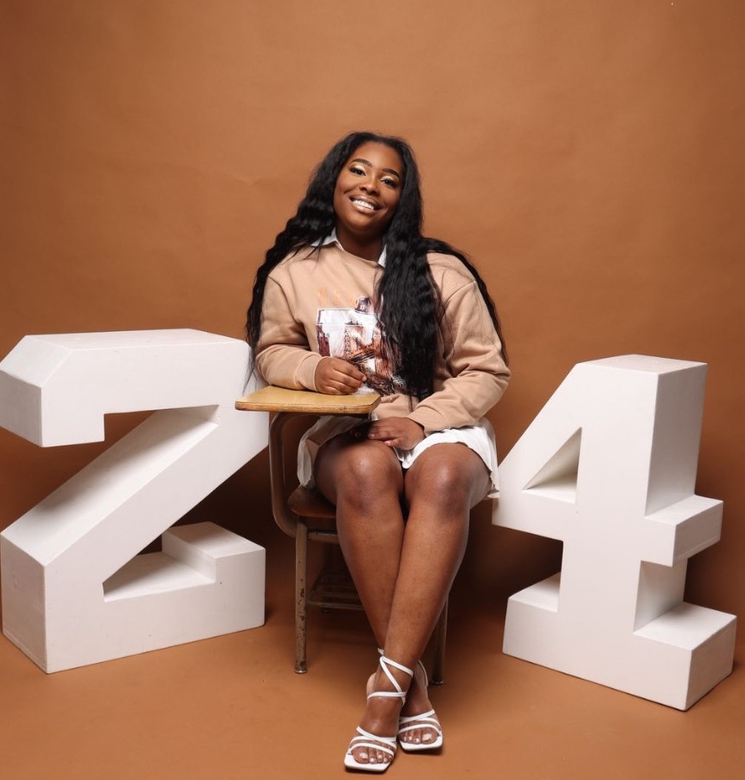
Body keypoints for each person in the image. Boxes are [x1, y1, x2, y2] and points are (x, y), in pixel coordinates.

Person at [245, 131, 509, 772]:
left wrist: (422, 421)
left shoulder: (441, 273)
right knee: (365, 469)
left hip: (438, 427)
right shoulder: (295, 272)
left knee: (442, 478)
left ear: (402, 198)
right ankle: (408, 688)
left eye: (389, 180)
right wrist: (311, 369)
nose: (371, 187)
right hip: (349, 432)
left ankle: (383, 693)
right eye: (358, 171)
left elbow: (487, 370)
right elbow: (271, 350)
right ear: (333, 181)